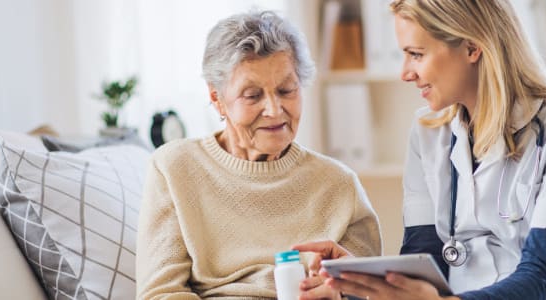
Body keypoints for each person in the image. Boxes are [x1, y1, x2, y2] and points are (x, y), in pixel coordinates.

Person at [294, 1, 546, 299]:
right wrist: (360, 282)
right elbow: (425, 258)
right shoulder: (428, 131)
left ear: (471, 47)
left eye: (416, 54)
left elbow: (543, 278)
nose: (405, 73)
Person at [135, 10, 382, 299]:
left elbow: (372, 292)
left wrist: (340, 296)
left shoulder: (339, 185)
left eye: (286, 90)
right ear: (217, 99)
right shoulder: (174, 168)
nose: (275, 110)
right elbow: (160, 294)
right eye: (253, 96)